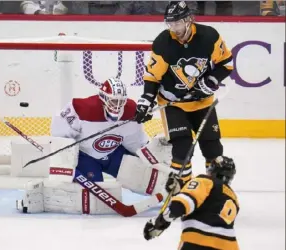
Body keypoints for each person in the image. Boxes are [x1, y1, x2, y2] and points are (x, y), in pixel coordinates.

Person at [17, 78, 174, 215]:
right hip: (87, 156)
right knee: (94, 199)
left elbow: (135, 142)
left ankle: (175, 192)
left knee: (144, 178)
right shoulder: (82, 109)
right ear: (103, 98)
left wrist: (154, 162)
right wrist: (64, 164)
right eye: (113, 101)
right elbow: (60, 136)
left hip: (114, 154)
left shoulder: (131, 111)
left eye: (121, 101)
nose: (117, 106)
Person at [134, 1, 233, 184]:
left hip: (202, 103)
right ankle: (182, 190)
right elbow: (152, 76)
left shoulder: (209, 37)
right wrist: (146, 100)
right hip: (173, 105)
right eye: (170, 24)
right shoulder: (163, 42)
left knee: (213, 149)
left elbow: (226, 64)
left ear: (188, 19)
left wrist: (210, 82)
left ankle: (214, 190)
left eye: (177, 23)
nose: (174, 28)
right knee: (182, 147)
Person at [143, 156, 240, 250]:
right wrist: (180, 190)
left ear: (212, 170)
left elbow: (179, 206)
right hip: (230, 246)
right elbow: (208, 206)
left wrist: (159, 222)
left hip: (199, 241)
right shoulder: (233, 198)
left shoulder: (205, 181)